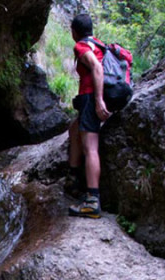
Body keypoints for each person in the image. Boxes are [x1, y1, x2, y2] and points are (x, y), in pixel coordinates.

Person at [67, 12, 110, 219]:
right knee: (74, 129)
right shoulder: (99, 44)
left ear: (74, 31)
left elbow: (96, 67)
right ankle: (74, 178)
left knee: (90, 147)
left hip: (90, 97)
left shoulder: (81, 46)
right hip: (91, 97)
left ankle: (92, 201)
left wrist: (98, 100)